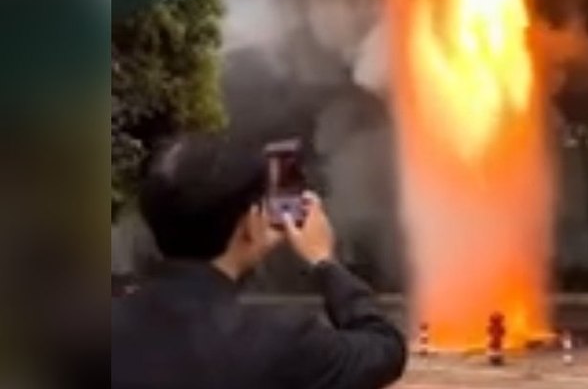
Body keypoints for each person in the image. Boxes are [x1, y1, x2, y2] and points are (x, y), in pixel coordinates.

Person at [112, 142, 407, 389]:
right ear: (249, 221)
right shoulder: (281, 340)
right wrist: (324, 261)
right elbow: (384, 348)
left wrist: (248, 242)